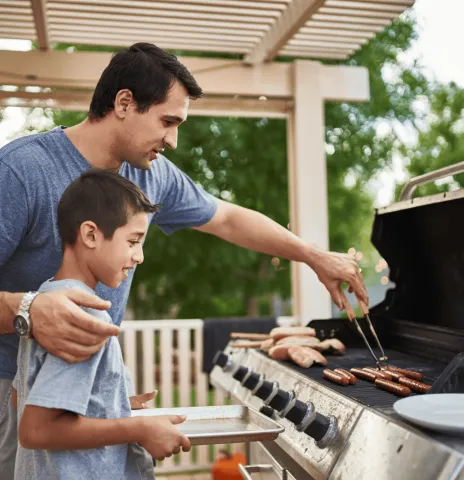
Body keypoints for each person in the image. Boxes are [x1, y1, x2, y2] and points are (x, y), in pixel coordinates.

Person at [0, 42, 367, 478]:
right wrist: (27, 310)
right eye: (167, 121)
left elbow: (228, 219)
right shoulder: (21, 172)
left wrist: (313, 256)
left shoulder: (148, 175)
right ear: (124, 103)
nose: (173, 139)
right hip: (12, 390)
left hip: (80, 394)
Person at [13, 169, 190, 479]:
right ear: (91, 234)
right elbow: (36, 429)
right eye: (133, 241)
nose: (140, 257)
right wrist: (138, 427)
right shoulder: (83, 314)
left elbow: (22, 396)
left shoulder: (47, 299)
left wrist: (111, 403)